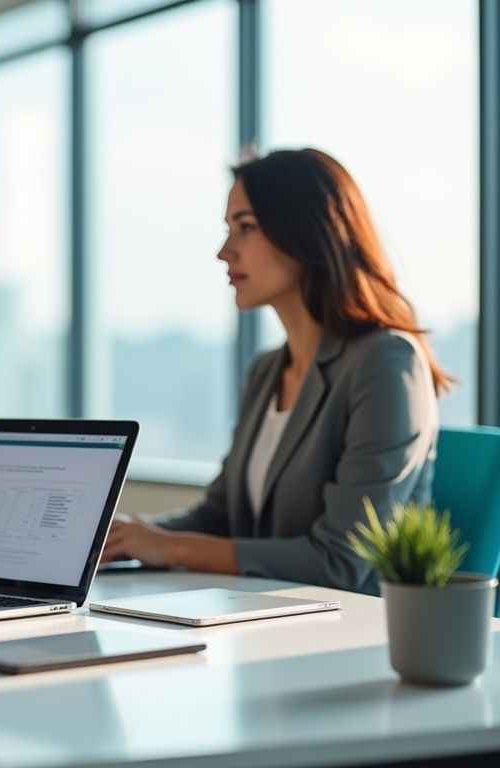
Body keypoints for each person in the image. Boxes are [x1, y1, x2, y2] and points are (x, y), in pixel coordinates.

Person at [101, 148, 443, 595]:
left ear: (308, 233)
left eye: (246, 228)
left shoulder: (386, 363)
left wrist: (174, 548)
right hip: (256, 618)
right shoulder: (265, 371)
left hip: (346, 636)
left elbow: (342, 561)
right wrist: (131, 537)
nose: (225, 252)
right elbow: (220, 517)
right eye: (228, 229)